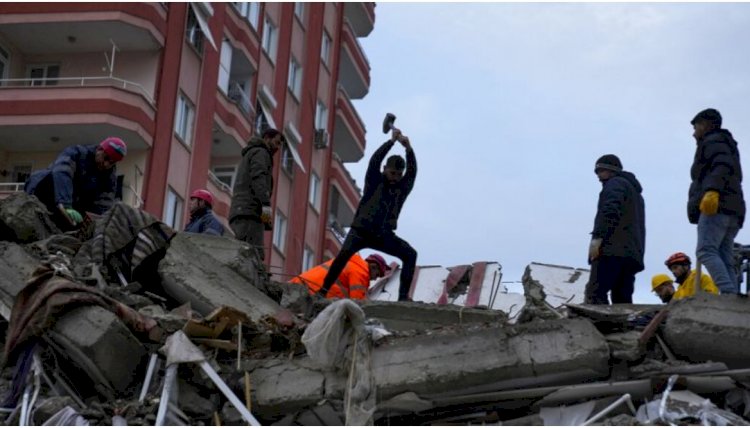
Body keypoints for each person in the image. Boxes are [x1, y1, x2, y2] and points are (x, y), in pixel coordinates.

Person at [317, 128, 417, 302]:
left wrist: (408, 148)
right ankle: (322, 291)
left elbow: (412, 172)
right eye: (392, 173)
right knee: (342, 257)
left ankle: (403, 298)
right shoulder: (374, 180)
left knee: (410, 254)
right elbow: (375, 160)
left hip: (383, 235)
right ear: (385, 169)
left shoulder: (402, 189)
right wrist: (391, 142)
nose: (395, 177)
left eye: (399, 175)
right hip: (360, 232)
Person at [688, 108, 745, 294]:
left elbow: (722, 165)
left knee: (705, 250)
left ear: (705, 125)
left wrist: (712, 190)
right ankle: (733, 296)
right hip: (733, 208)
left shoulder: (713, 141)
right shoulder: (726, 143)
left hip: (716, 206)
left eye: (696, 127)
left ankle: (728, 293)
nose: (693, 133)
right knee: (724, 255)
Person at [25, 137, 127, 230]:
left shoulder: (109, 177)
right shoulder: (76, 153)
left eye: (111, 163)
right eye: (105, 158)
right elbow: (62, 172)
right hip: (46, 191)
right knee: (51, 176)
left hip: (73, 202)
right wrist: (65, 204)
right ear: (99, 149)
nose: (106, 164)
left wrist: (96, 223)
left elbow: (105, 202)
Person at [587, 154, 646, 304]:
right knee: (622, 300)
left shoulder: (615, 184)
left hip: (611, 251)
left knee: (595, 293)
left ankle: (599, 327)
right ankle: (622, 328)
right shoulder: (635, 194)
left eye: (601, 171)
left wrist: (596, 243)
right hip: (631, 254)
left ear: (612, 170)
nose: (599, 176)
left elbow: (609, 213)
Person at [228, 128, 284, 259]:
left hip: (244, 211)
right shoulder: (261, 153)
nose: (277, 148)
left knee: (248, 252)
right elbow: (258, 180)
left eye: (280, 145)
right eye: (276, 143)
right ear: (267, 138)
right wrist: (266, 211)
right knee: (253, 255)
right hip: (250, 212)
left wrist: (265, 219)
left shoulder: (254, 153)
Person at [291, 253, 391, 299]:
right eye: (377, 275)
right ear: (373, 267)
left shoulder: (351, 263)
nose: (375, 278)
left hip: (299, 285)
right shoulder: (360, 272)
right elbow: (357, 303)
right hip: (308, 293)